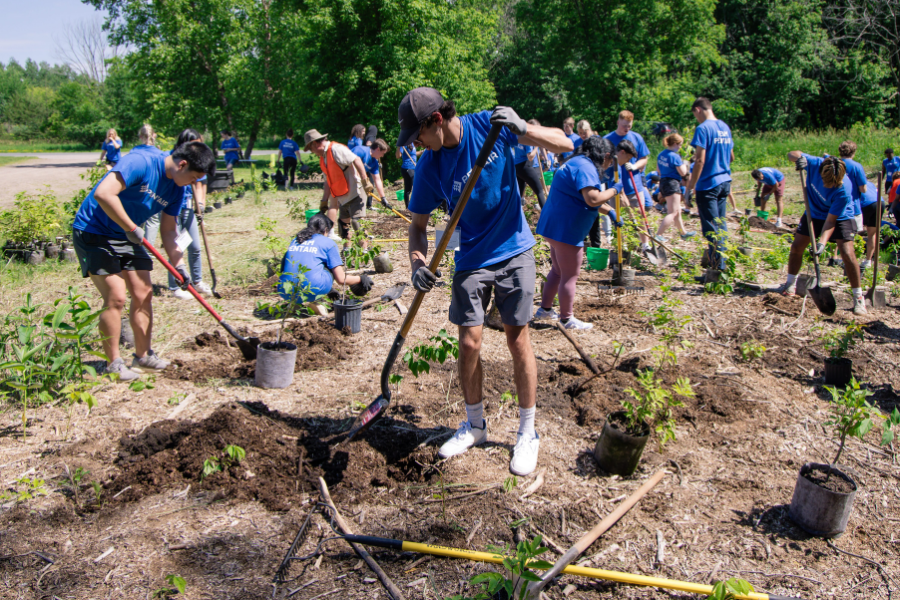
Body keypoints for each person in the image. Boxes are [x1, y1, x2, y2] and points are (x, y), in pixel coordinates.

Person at [398, 87, 573, 476]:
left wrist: (523, 127)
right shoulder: (429, 167)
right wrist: (417, 263)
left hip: (514, 248)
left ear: (436, 121)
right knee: (469, 341)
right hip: (471, 256)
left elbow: (563, 144)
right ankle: (475, 425)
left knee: (517, 337)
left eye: (418, 135)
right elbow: (418, 228)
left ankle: (527, 433)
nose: (417, 145)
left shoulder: (489, 126)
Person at [72, 140, 215, 381]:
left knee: (143, 292)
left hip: (128, 234)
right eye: (193, 178)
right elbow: (103, 193)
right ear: (182, 164)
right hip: (94, 231)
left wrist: (178, 265)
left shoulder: (177, 190)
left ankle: (143, 355)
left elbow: (169, 231)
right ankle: (114, 364)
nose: (193, 185)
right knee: (116, 296)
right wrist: (130, 227)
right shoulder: (141, 162)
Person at [535, 136, 622, 329]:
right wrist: (615, 190)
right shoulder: (586, 167)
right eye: (609, 161)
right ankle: (567, 319)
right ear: (606, 156)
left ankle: (545, 310)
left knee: (558, 271)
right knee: (570, 275)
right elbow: (592, 198)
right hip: (566, 229)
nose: (608, 166)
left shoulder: (575, 162)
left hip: (554, 225)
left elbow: (580, 197)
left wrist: (610, 211)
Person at [780, 153, 865, 314]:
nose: (829, 186)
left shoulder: (844, 189)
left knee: (847, 253)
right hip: (813, 212)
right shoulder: (814, 163)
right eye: (827, 181)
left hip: (840, 217)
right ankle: (790, 284)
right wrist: (797, 159)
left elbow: (831, 221)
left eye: (833, 183)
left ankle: (858, 297)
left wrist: (821, 243)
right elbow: (792, 153)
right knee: (797, 246)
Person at [144, 129, 214, 298]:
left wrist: (201, 204)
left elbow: (201, 183)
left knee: (195, 247)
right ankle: (175, 285)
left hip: (189, 207)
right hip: (173, 209)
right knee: (177, 247)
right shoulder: (172, 161)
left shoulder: (196, 165)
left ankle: (197, 281)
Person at [684, 97, 734, 273]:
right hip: (724, 181)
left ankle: (717, 271)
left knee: (711, 229)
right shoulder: (724, 127)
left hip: (708, 185)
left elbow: (699, 160)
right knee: (721, 225)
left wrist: (690, 188)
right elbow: (732, 157)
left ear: (698, 109)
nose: (696, 119)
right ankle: (723, 266)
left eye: (695, 115)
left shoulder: (703, 128)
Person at [278, 214, 372, 306]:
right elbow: (341, 279)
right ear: (326, 229)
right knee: (328, 264)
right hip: (312, 290)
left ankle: (295, 305)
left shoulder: (296, 240)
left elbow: (284, 267)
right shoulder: (328, 242)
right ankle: (317, 301)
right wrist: (361, 279)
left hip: (285, 291)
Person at [304, 129, 373, 244]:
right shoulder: (324, 158)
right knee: (343, 226)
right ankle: (347, 251)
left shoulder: (336, 149)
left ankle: (364, 252)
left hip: (356, 192)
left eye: (311, 149)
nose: (312, 152)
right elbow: (327, 182)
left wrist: (365, 179)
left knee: (357, 223)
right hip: (343, 196)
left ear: (315, 144)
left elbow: (356, 159)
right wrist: (324, 201)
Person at [838, 141, 876, 269]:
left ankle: (841, 259)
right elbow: (863, 189)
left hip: (837, 204)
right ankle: (851, 262)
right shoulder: (856, 166)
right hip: (853, 206)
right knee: (853, 236)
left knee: (840, 234)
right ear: (853, 152)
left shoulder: (835, 164)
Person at [656, 134, 695, 240]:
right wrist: (685, 165)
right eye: (680, 145)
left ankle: (683, 233)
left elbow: (658, 170)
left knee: (677, 210)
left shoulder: (661, 154)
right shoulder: (674, 156)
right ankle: (659, 234)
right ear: (675, 144)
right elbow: (683, 173)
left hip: (663, 182)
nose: (680, 147)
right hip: (672, 183)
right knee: (673, 212)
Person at [614, 139, 651, 249]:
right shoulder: (614, 164)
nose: (628, 161)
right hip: (616, 192)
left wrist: (634, 166)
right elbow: (617, 185)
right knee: (620, 219)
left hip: (633, 188)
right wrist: (622, 195)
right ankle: (623, 247)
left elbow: (644, 159)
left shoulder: (619, 163)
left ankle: (645, 244)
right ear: (622, 152)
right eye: (628, 158)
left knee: (639, 215)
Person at [513, 123, 547, 208]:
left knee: (519, 195)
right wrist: (536, 146)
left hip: (517, 167)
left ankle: (514, 217)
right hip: (525, 166)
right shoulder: (527, 139)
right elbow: (530, 156)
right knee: (539, 191)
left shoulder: (518, 137)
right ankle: (546, 216)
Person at [351, 138, 389, 209]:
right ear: (378, 149)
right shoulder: (360, 151)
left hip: (357, 182)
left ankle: (359, 217)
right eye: (382, 153)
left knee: (361, 200)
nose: (382, 156)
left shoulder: (374, 162)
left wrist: (383, 197)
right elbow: (350, 166)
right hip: (346, 179)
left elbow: (377, 180)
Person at [396, 142, 420, 208]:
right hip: (407, 168)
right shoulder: (404, 144)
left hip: (414, 168)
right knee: (410, 188)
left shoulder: (412, 143)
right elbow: (398, 156)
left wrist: (422, 152)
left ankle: (412, 206)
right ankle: (409, 207)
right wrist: (399, 146)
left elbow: (413, 154)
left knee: (415, 187)